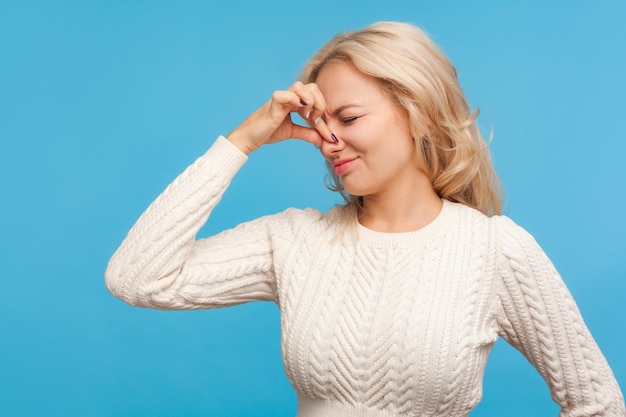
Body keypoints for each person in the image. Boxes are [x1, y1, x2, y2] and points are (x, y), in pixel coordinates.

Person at [105, 21, 625, 417]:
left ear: (416, 109)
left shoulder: (494, 251)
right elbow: (136, 278)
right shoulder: (294, 239)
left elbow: (598, 402)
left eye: (349, 118)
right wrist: (242, 141)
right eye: (320, 122)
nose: (329, 140)